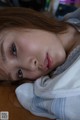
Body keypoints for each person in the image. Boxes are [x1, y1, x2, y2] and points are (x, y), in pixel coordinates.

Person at [0, 7, 80, 120]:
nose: (31, 66)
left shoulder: (75, 18)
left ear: (22, 19)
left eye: (13, 50)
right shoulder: (64, 96)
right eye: (19, 73)